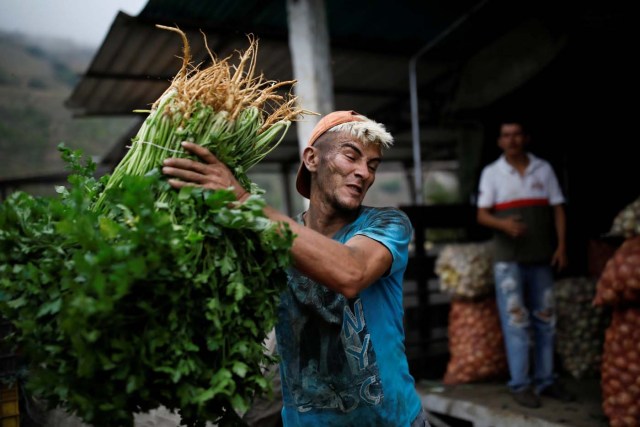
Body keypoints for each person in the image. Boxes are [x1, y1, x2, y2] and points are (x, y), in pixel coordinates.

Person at [162, 111, 428, 426]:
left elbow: (352, 272)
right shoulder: (274, 237)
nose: (363, 173)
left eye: (372, 166)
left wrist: (245, 201)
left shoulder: (387, 224)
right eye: (351, 156)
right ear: (312, 159)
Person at [476, 120, 574, 408]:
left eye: (517, 134)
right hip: (508, 261)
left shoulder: (542, 168)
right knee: (516, 322)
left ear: (526, 138)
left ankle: (546, 380)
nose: (512, 139)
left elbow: (558, 208)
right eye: (506, 135)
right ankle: (520, 384)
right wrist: (503, 224)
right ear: (500, 142)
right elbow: (481, 215)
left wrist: (562, 247)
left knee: (546, 320)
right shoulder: (492, 173)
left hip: (542, 256)